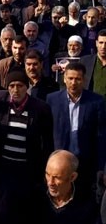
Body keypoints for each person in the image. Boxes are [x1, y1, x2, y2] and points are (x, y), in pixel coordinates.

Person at [46, 62, 106, 195]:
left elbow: (101, 136)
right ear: (64, 79)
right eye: (70, 78)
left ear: (84, 80)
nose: (73, 83)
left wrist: (101, 167)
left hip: (85, 163)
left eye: (78, 79)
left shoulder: (96, 102)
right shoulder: (52, 100)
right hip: (59, 162)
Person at [35, 150, 99, 224]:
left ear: (72, 177)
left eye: (57, 177)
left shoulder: (87, 205)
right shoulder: (35, 198)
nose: (50, 182)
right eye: (47, 174)